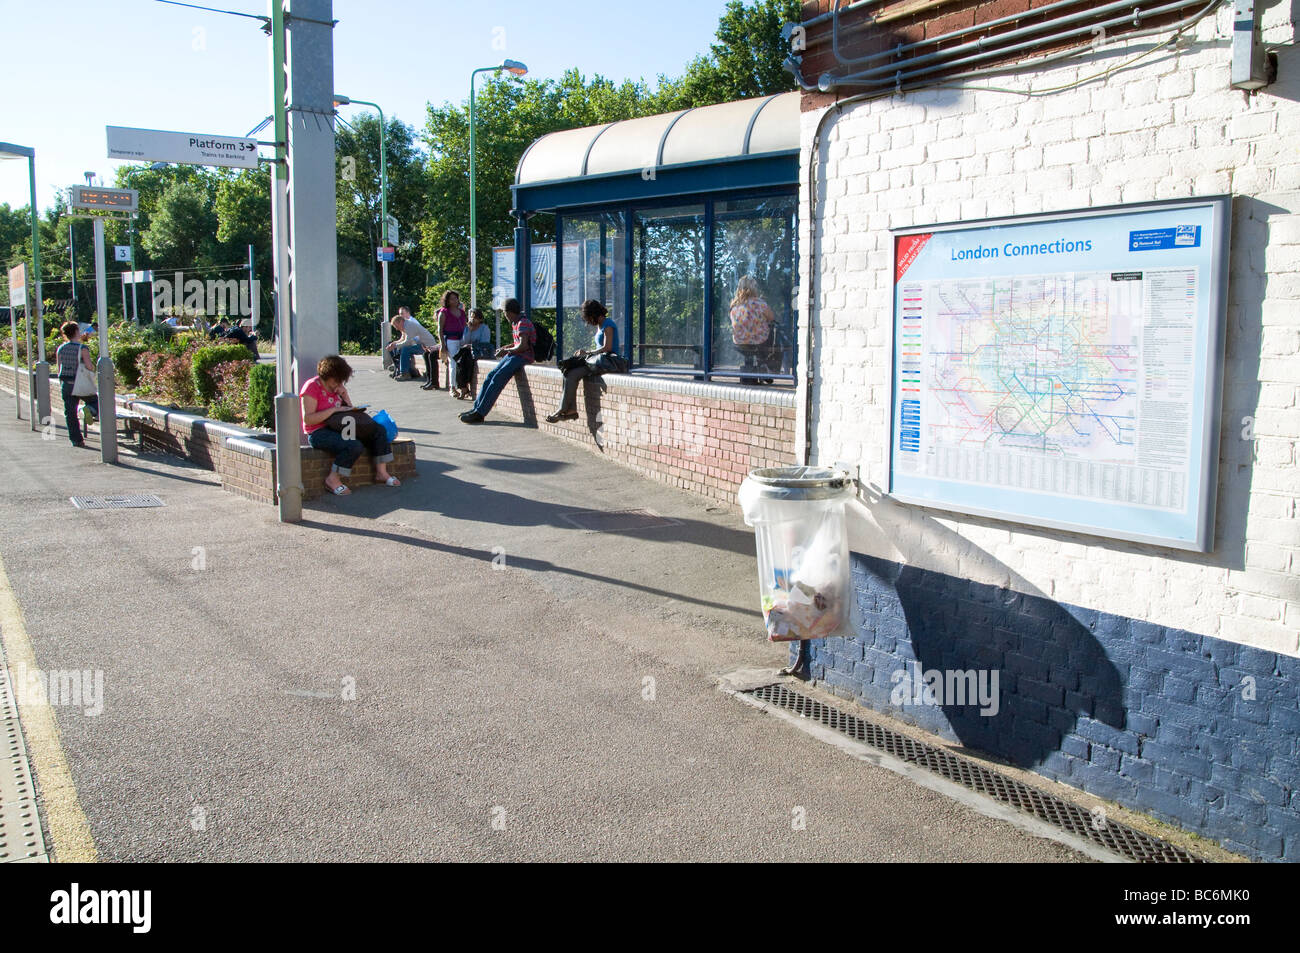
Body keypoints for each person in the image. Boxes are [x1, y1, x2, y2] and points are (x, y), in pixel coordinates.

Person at [299, 354, 400, 496]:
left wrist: (345, 396)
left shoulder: (338, 388)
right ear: (329, 375)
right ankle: (332, 479)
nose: (340, 383)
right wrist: (333, 409)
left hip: (341, 426)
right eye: (337, 380)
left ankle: (381, 473)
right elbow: (308, 419)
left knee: (378, 430)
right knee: (353, 445)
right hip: (319, 432)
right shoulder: (311, 387)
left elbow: (349, 412)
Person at [546, 300, 627, 422]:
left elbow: (608, 347)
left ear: (593, 314)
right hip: (600, 361)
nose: (588, 322)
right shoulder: (600, 325)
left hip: (608, 361)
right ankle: (571, 410)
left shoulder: (608, 324)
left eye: (588, 319)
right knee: (568, 371)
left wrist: (587, 353)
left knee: (572, 374)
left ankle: (562, 410)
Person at [459, 298, 534, 424]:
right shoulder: (516, 322)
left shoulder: (523, 323)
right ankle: (476, 408)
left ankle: (480, 413)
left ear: (509, 312)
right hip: (515, 354)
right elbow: (518, 343)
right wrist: (506, 348)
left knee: (498, 378)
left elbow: (524, 346)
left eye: (505, 313)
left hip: (523, 356)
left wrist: (507, 351)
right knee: (490, 376)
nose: (505, 316)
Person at [55, 320, 98, 448]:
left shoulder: (61, 348)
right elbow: (89, 366)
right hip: (80, 383)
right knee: (95, 402)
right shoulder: (82, 348)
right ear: (75, 332)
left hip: (66, 384)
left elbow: (59, 368)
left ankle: (76, 440)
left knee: (70, 413)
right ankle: (89, 410)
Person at [729, 275, 777, 384]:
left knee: (749, 346)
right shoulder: (760, 303)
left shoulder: (734, 306)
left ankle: (754, 366)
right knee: (772, 329)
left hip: (739, 341)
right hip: (760, 341)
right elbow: (772, 318)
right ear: (754, 288)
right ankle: (764, 364)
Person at [386, 307, 437, 381]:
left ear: (400, 321)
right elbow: (403, 339)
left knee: (405, 349)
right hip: (422, 345)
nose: (396, 328)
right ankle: (400, 369)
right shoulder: (405, 325)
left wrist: (395, 346)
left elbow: (407, 342)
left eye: (396, 326)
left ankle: (404, 373)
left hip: (428, 346)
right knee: (403, 348)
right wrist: (394, 343)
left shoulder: (409, 325)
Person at [451, 308, 491, 399]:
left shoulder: (484, 328)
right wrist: (469, 330)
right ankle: (463, 388)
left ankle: (466, 389)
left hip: (479, 351)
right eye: (471, 317)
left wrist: (472, 345)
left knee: (466, 360)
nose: (472, 320)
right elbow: (464, 341)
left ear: (480, 319)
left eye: (474, 317)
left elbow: (485, 342)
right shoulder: (468, 328)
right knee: (460, 362)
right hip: (468, 351)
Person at [435, 290, 468, 394]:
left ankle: (462, 386)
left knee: (462, 363)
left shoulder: (461, 312)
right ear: (447, 301)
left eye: (456, 298)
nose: (454, 300)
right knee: (453, 363)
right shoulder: (444, 312)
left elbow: (465, 326)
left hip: (462, 339)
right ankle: (452, 387)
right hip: (450, 340)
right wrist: (443, 345)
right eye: (452, 299)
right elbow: (440, 329)